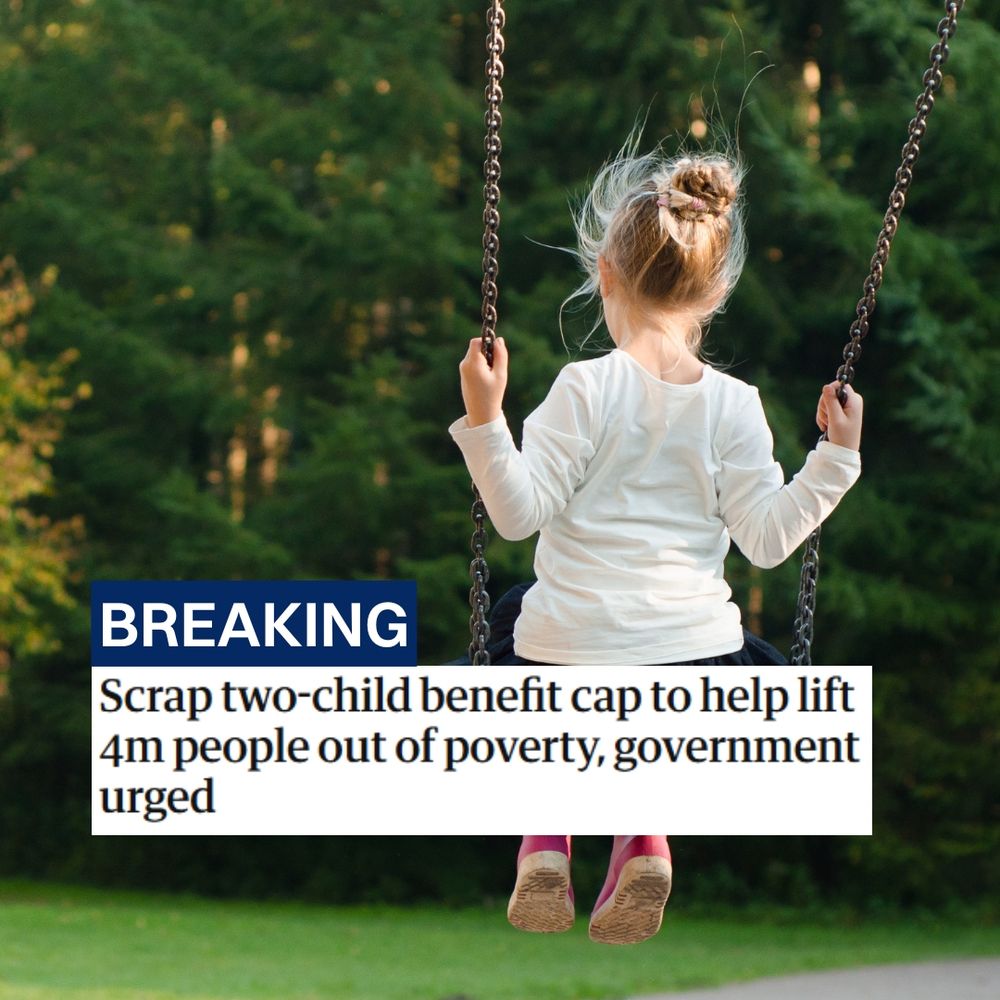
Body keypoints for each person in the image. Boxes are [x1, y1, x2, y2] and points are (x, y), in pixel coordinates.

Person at [448, 141, 863, 944]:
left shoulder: (584, 387)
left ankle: (545, 836)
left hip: (562, 652)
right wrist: (834, 460)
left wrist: (484, 417)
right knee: (672, 674)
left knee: (517, 625)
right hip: (692, 660)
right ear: (716, 293)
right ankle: (643, 836)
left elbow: (517, 514)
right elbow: (770, 540)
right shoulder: (736, 405)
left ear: (605, 273)